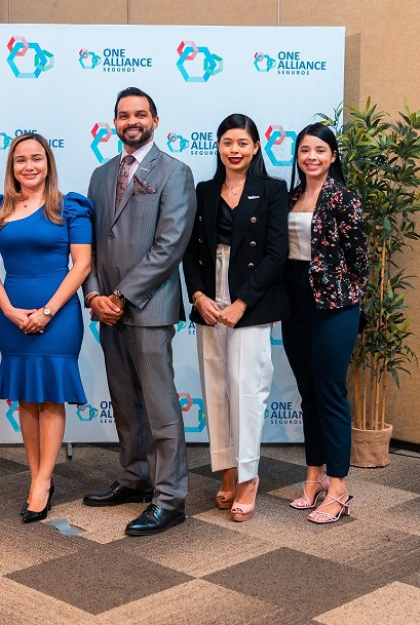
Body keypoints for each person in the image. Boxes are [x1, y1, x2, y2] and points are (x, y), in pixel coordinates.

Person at [82, 87, 196, 536]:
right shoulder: (99, 174)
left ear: (155, 119)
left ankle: (169, 498)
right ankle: (135, 477)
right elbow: (87, 244)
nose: (132, 120)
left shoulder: (174, 172)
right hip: (107, 310)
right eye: (124, 115)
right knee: (125, 403)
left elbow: (170, 246)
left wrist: (122, 296)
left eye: (140, 114)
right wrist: (94, 296)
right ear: (114, 122)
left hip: (148, 307)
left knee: (160, 405)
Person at [0, 133, 92, 524]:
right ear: (11, 166)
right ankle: (36, 477)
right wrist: (8, 310)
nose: (29, 166)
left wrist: (46, 311)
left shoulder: (70, 208)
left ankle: (44, 482)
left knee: (51, 398)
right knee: (26, 398)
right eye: (21, 160)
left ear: (48, 163)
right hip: (12, 314)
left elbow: (81, 265)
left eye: (37, 158)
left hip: (58, 316)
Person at [182, 113, 289, 522]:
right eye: (227, 142)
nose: (234, 150)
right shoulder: (205, 190)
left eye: (242, 143)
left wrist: (242, 303)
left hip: (252, 302)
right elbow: (190, 249)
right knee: (216, 389)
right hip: (210, 298)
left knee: (246, 388)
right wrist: (198, 296)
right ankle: (227, 469)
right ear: (219, 146)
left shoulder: (272, 190)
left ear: (256, 146)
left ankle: (248, 477)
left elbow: (276, 253)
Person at [282, 122, 368, 523]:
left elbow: (359, 263)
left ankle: (338, 486)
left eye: (319, 150)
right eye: (304, 150)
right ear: (297, 157)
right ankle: (314, 475)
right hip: (295, 302)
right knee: (308, 393)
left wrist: (344, 297)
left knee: (330, 392)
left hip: (335, 306)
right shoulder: (291, 197)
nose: (311, 157)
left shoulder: (343, 199)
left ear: (333, 156)